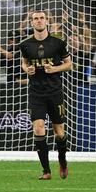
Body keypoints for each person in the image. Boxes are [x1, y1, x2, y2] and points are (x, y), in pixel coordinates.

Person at [20, 10, 72, 180]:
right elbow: (25, 62)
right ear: (32, 23)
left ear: (46, 21)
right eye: (36, 19)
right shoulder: (26, 44)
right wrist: (26, 69)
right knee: (38, 127)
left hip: (54, 92)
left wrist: (54, 69)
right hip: (36, 92)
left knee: (59, 132)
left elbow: (69, 64)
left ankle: (62, 161)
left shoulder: (58, 42)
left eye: (42, 18)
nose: (39, 21)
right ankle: (46, 171)